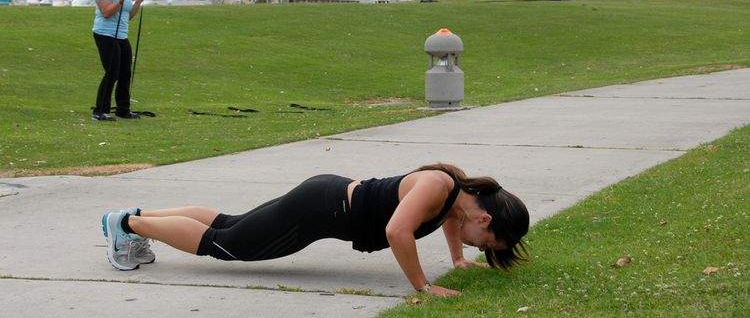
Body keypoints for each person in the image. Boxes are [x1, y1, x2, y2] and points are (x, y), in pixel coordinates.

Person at [101, 163, 530, 296]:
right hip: (320, 209)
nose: (482, 248)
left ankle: (134, 216)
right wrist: (422, 286)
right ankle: (127, 225)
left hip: (325, 198)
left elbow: (451, 225)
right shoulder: (441, 186)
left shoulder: (456, 197)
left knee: (228, 224)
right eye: (487, 244)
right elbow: (400, 230)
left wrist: (457, 258)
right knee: (227, 246)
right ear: (486, 219)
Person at [91, 0, 145, 121]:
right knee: (112, 72)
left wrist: (137, 2)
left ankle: (123, 109)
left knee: (125, 73)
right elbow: (107, 12)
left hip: (121, 35)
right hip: (105, 34)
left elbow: (127, 16)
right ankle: (100, 111)